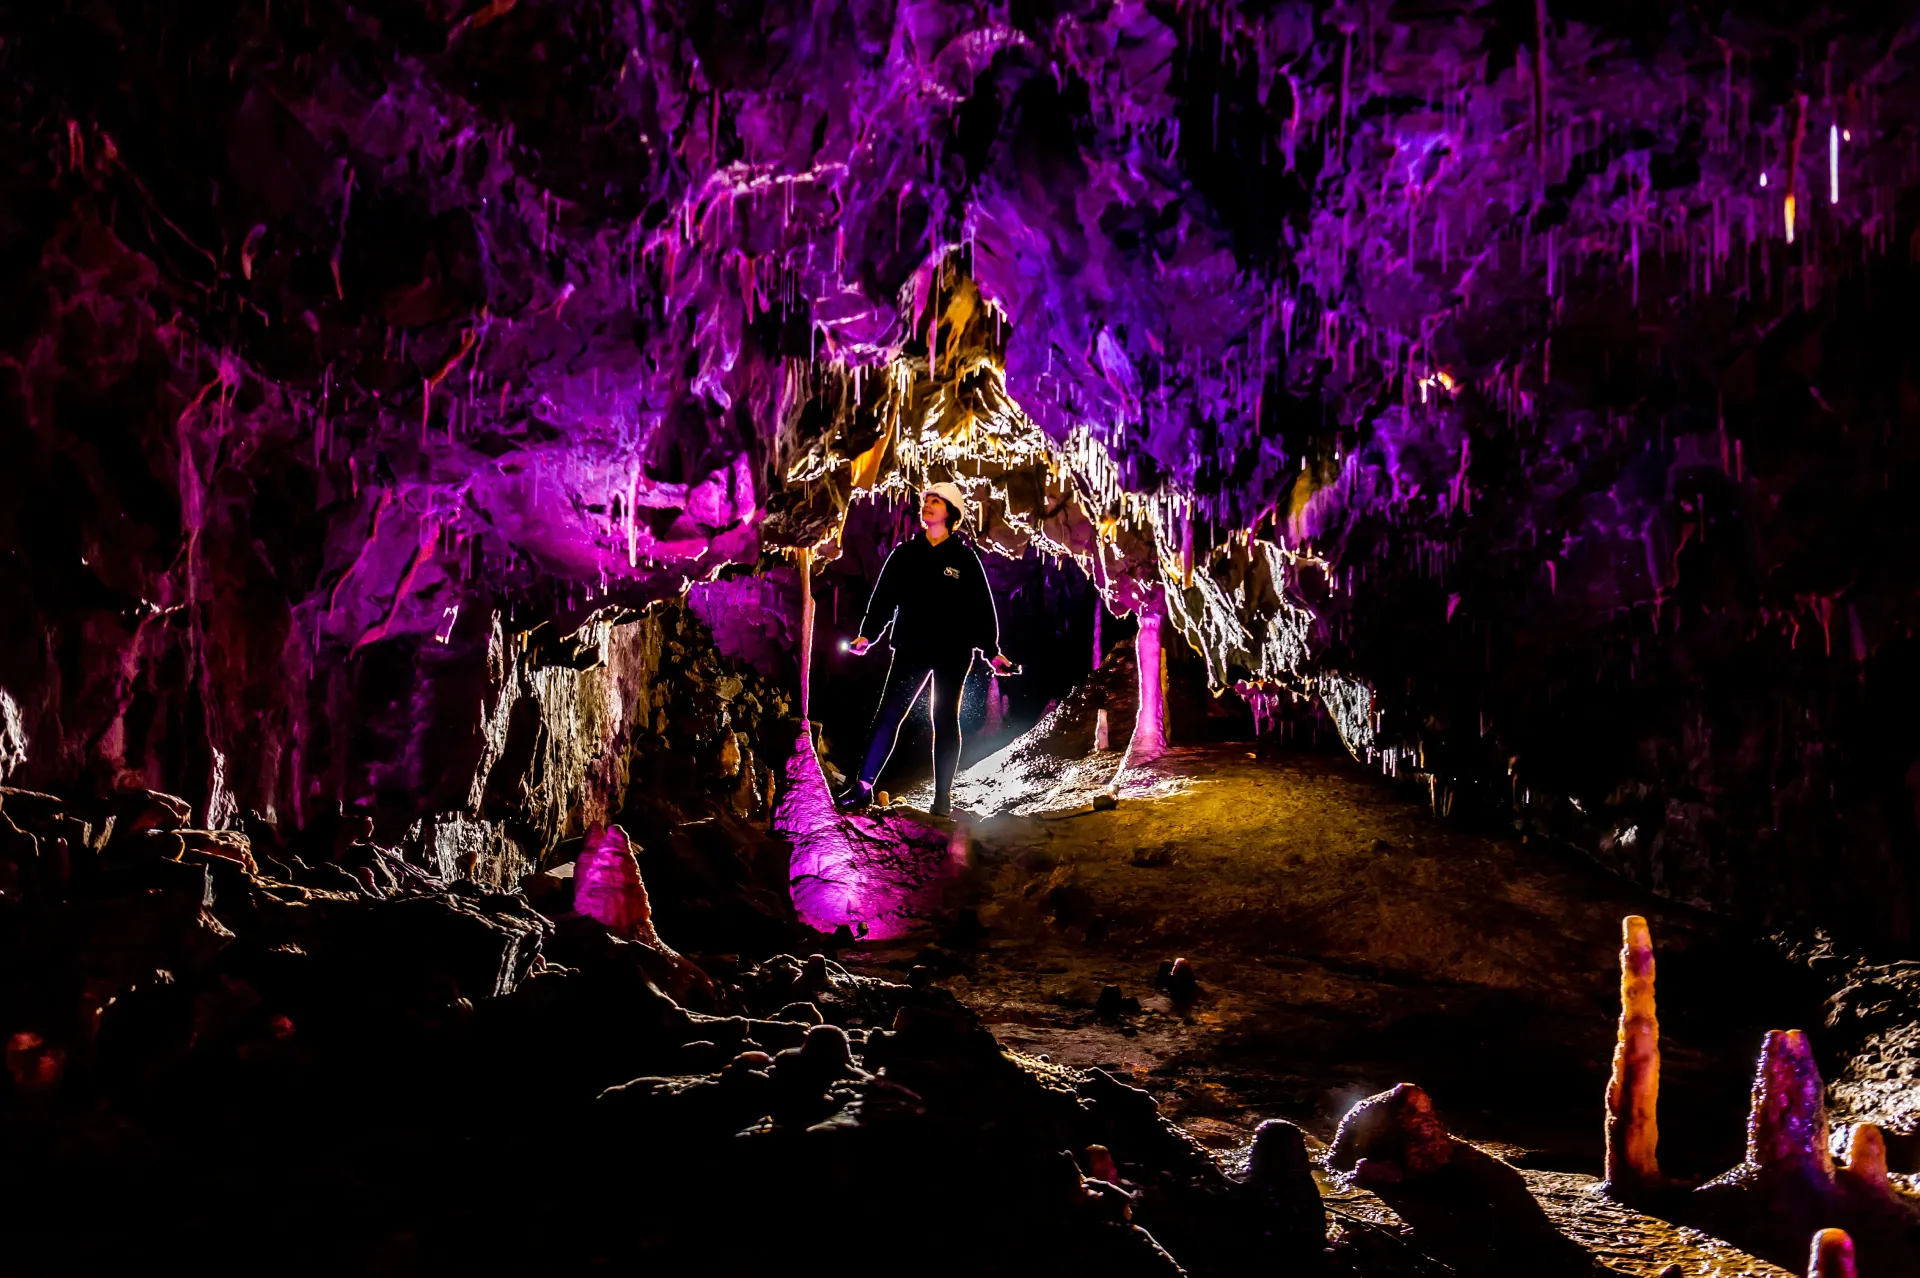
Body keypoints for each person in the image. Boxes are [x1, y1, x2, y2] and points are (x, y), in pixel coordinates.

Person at [839, 482, 1013, 818]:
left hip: (953, 651)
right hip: (911, 647)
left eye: (935, 501)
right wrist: (868, 634)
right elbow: (884, 598)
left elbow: (979, 609)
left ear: (950, 512)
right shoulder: (905, 555)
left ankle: (942, 798)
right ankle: (862, 787)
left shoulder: (964, 559)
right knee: (889, 715)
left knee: (944, 718)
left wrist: (992, 651)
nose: (927, 505)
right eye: (925, 501)